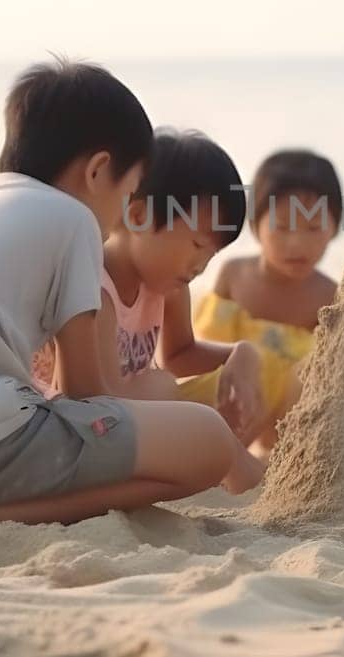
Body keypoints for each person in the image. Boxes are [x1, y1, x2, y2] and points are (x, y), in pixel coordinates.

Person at [0, 60, 260, 537]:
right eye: (130, 193)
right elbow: (87, 396)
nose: (127, 213)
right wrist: (173, 403)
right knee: (206, 441)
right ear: (100, 171)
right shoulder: (73, 221)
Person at [33, 130, 271, 453]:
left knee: (264, 380)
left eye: (213, 253)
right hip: (59, 431)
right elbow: (95, 404)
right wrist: (163, 389)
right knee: (178, 400)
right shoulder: (95, 289)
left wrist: (241, 353)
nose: (202, 265)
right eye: (198, 244)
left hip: (122, 422)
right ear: (139, 215)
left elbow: (179, 354)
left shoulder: (167, 284)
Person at [181, 150, 342, 452]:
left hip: (290, 432)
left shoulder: (330, 296)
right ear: (256, 226)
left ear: (334, 227)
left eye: (313, 227)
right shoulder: (235, 275)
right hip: (231, 410)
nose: (298, 243)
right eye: (282, 227)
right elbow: (203, 352)